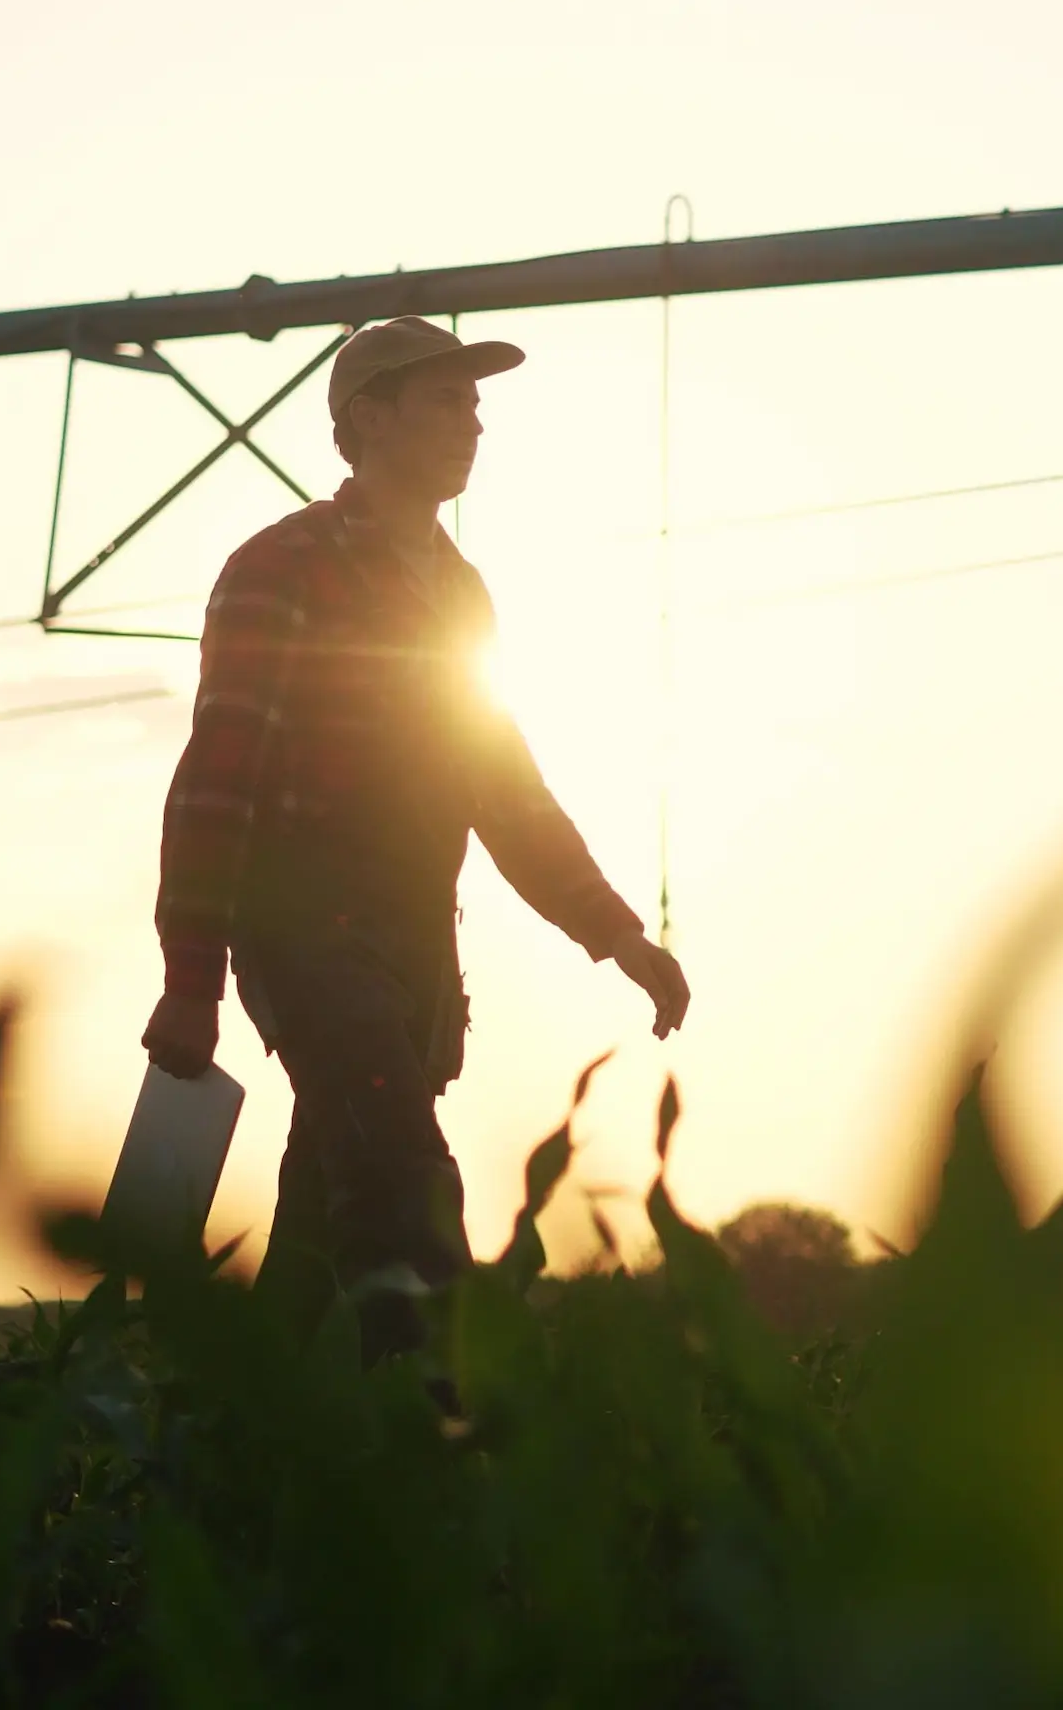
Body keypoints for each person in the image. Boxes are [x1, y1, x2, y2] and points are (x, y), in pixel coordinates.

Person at [141, 316, 689, 1357]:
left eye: (475, 401)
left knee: (315, 1237)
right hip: (304, 938)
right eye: (446, 398)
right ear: (367, 422)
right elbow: (218, 781)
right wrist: (192, 979)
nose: (474, 419)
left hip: (409, 961)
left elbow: (503, 787)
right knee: (405, 1178)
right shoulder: (280, 570)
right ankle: (451, 1443)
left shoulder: (461, 594)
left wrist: (620, 936)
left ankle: (218, 1464)